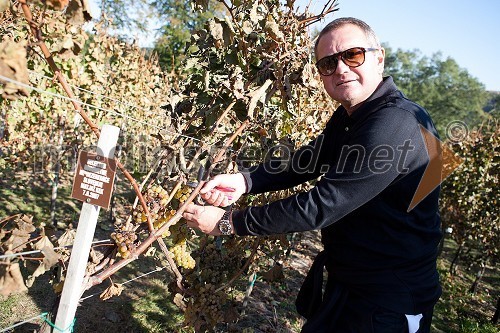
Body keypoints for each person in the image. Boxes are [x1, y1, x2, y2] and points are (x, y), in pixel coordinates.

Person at [182, 17, 442, 333]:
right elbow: (308, 161)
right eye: (328, 63)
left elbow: (323, 204)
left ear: (379, 57)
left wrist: (228, 223)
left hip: (389, 301)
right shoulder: (355, 115)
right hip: (352, 283)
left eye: (353, 55)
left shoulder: (396, 123)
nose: (341, 69)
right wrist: (245, 181)